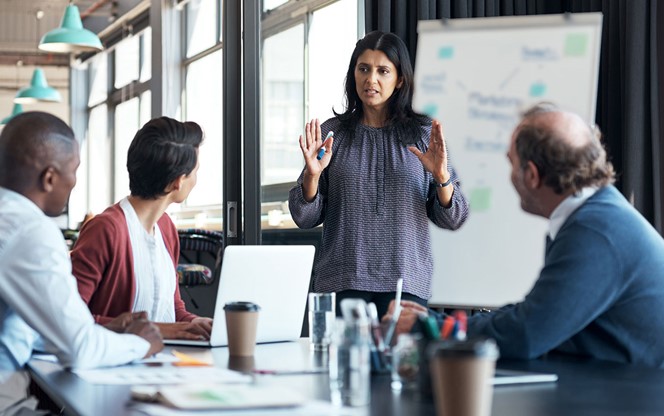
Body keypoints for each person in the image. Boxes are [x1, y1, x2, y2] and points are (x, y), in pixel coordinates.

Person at [387, 102, 664, 367]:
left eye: (511, 163)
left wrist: (434, 328)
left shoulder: (595, 234)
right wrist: (438, 322)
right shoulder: (595, 215)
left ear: (531, 175)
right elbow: (539, 312)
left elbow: (526, 333)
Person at [288, 31, 469, 318]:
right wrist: (311, 178)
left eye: (383, 71)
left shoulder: (424, 135)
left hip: (405, 283)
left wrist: (441, 177)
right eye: (363, 69)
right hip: (342, 280)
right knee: (342, 363)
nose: (371, 79)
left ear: (399, 80)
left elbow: (454, 217)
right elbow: (304, 217)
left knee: (401, 364)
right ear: (353, 75)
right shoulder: (331, 134)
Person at [0, 112, 163, 412]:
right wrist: (141, 343)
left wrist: (98, 331)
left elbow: (15, 330)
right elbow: (80, 351)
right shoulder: (29, 229)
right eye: (73, 170)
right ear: (49, 178)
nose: (74, 181)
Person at [71, 117, 213, 341]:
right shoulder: (105, 229)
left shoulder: (166, 229)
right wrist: (157, 329)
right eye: (195, 171)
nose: (196, 179)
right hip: (114, 363)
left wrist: (193, 322)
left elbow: (172, 307)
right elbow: (69, 318)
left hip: (162, 358)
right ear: (178, 181)